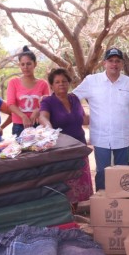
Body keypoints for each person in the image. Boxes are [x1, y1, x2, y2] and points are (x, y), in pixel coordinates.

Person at [73, 47, 129, 190]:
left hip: (122, 137)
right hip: (101, 137)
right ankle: (102, 204)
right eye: (111, 61)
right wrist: (80, 115)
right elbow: (73, 98)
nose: (114, 64)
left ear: (122, 64)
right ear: (104, 63)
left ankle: (121, 204)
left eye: (117, 61)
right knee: (102, 172)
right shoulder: (91, 81)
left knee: (122, 174)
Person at [38, 68, 92, 205]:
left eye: (64, 81)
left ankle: (78, 210)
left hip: (79, 146)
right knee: (65, 183)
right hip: (61, 149)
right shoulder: (48, 101)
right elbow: (43, 116)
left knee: (81, 181)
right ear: (51, 85)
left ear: (69, 83)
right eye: (57, 82)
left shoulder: (74, 99)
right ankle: (67, 215)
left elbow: (84, 119)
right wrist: (47, 126)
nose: (61, 84)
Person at [6, 46, 50, 137]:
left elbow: (46, 103)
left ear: (35, 64)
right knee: (19, 150)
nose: (25, 67)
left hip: (38, 125)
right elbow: (10, 104)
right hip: (19, 126)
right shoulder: (13, 82)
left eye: (29, 64)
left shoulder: (43, 84)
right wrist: (23, 116)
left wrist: (38, 110)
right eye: (22, 64)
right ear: (20, 65)